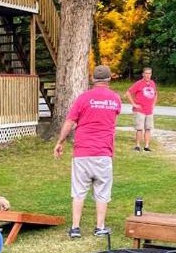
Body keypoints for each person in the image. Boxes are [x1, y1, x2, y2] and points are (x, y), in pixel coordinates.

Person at [54, 64, 121, 238]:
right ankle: (100, 227)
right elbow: (114, 117)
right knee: (102, 191)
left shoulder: (83, 98)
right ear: (109, 79)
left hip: (82, 152)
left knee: (79, 191)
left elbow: (69, 122)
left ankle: (75, 228)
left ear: (93, 79)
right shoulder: (115, 99)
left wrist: (60, 142)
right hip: (103, 152)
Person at [126, 67, 157, 152]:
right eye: (146, 73)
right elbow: (128, 93)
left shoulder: (152, 83)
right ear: (143, 74)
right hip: (140, 110)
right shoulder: (139, 83)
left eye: (149, 73)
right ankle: (137, 146)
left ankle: (146, 146)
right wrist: (134, 104)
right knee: (139, 128)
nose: (148, 75)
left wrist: (153, 105)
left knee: (148, 128)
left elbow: (155, 94)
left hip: (149, 111)